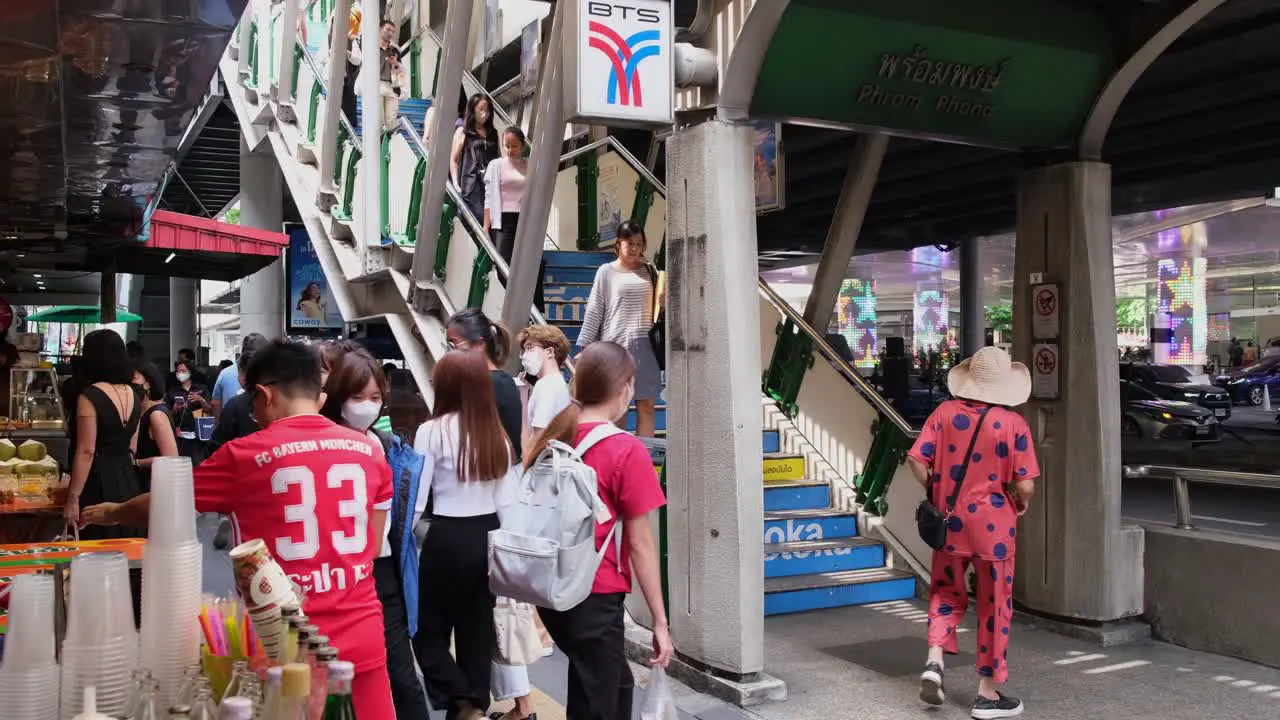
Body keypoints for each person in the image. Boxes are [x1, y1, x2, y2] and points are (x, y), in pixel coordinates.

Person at [82, 341, 397, 718]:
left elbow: (170, 501)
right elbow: (374, 546)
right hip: (363, 639)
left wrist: (113, 511)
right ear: (320, 395)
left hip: (281, 645)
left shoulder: (244, 455)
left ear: (263, 395)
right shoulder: (369, 453)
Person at [525, 341, 673, 719]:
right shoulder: (626, 450)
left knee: (599, 684)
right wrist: (659, 621)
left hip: (553, 590)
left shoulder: (556, 436)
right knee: (607, 700)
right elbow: (640, 545)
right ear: (624, 387)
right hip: (595, 592)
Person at [905, 346, 1040, 719]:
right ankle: (987, 693)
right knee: (995, 605)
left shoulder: (944, 413)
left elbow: (915, 459)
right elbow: (1026, 482)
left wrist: (935, 489)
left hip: (950, 524)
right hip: (995, 529)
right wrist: (1020, 498)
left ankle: (934, 660)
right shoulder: (1014, 424)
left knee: (945, 592)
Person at [321, 349, 430, 720]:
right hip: (333, 575)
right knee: (335, 677)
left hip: (381, 572)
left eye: (375, 398)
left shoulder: (385, 446)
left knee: (400, 673)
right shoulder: (324, 444)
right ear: (337, 397)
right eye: (357, 397)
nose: (367, 407)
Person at [412, 350, 519, 720]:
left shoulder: (431, 430)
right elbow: (508, 504)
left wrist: (401, 542)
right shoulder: (497, 435)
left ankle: (462, 698)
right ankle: (472, 704)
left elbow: (416, 498)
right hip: (489, 537)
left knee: (427, 631)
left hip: (446, 536)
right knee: (476, 633)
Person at [577, 221, 662, 437]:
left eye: (639, 244)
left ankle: (644, 459)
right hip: (616, 347)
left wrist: (663, 302)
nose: (634, 248)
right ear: (618, 243)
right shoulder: (606, 272)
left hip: (646, 349)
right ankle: (618, 457)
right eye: (629, 243)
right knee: (617, 409)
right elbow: (595, 309)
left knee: (647, 407)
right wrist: (586, 346)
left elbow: (658, 311)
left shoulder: (650, 271)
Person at [66, 329, 145, 539]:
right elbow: (132, 445)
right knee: (124, 545)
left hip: (96, 480)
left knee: (94, 545)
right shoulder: (135, 393)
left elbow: (86, 451)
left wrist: (72, 499)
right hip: (127, 477)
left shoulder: (89, 395)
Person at [446, 308, 521, 459]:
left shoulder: (493, 384)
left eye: (455, 344)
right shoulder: (495, 381)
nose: (451, 352)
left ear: (480, 343)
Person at [517, 324, 571, 451]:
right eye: (524, 350)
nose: (524, 355)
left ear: (550, 352)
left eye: (530, 348)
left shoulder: (546, 385)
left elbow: (538, 438)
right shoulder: (558, 383)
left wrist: (522, 399)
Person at [482, 125, 528, 265]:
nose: (510, 150)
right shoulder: (496, 165)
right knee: (504, 260)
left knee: (523, 261)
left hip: (524, 218)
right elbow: (489, 197)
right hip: (503, 219)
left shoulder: (530, 165)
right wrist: (486, 225)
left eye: (514, 146)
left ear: (523, 145)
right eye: (506, 146)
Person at [131, 360, 179, 492]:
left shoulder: (156, 415)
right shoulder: (140, 412)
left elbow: (171, 458)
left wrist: (137, 463)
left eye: (133, 378)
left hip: (154, 488)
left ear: (148, 383)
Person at [450, 93, 498, 223]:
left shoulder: (493, 133)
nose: (485, 113)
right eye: (481, 109)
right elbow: (454, 160)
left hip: (490, 184)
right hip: (471, 184)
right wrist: (455, 183)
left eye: (487, 110)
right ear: (473, 109)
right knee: (478, 219)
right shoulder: (463, 132)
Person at [210, 333, 267, 417]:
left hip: (231, 424)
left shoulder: (225, 373)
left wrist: (219, 423)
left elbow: (215, 403)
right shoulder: (272, 374)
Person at [167, 359, 211, 462]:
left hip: (199, 434)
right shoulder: (172, 391)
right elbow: (168, 414)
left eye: (183, 371)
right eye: (178, 371)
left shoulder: (201, 388)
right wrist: (175, 408)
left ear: (190, 372)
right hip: (181, 435)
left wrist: (201, 400)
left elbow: (209, 410)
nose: (180, 374)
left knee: (198, 463)